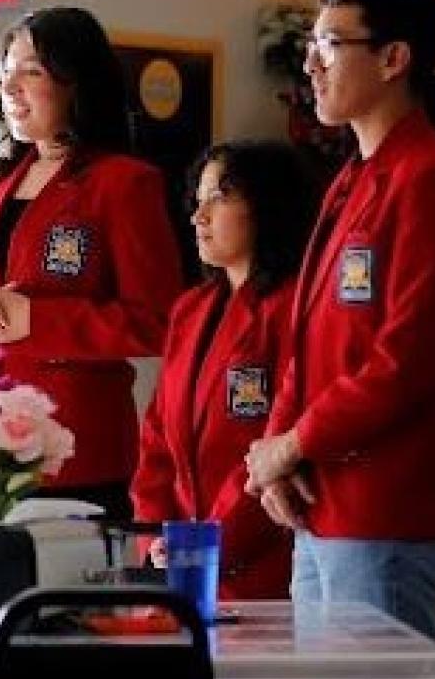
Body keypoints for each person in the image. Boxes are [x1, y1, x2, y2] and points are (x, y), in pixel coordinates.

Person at [244, 0, 435, 640]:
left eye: (329, 43)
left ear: (392, 58)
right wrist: (281, 457)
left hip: (387, 506)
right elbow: (306, 341)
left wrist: (294, 442)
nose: (311, 63)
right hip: (320, 501)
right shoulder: (352, 177)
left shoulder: (430, 182)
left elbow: (405, 362)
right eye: (309, 46)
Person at [0, 7, 183, 520]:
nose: (10, 88)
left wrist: (34, 320)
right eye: (4, 73)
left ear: (76, 82)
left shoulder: (123, 182)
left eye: (31, 72)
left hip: (76, 449)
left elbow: (157, 320)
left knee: (66, 597)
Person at [131, 141, 318, 599]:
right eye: (198, 201)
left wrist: (210, 545)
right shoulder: (189, 309)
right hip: (182, 564)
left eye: (220, 198)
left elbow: (279, 440)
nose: (199, 217)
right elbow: (157, 439)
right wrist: (156, 535)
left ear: (266, 207)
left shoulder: (295, 307)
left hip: (266, 566)